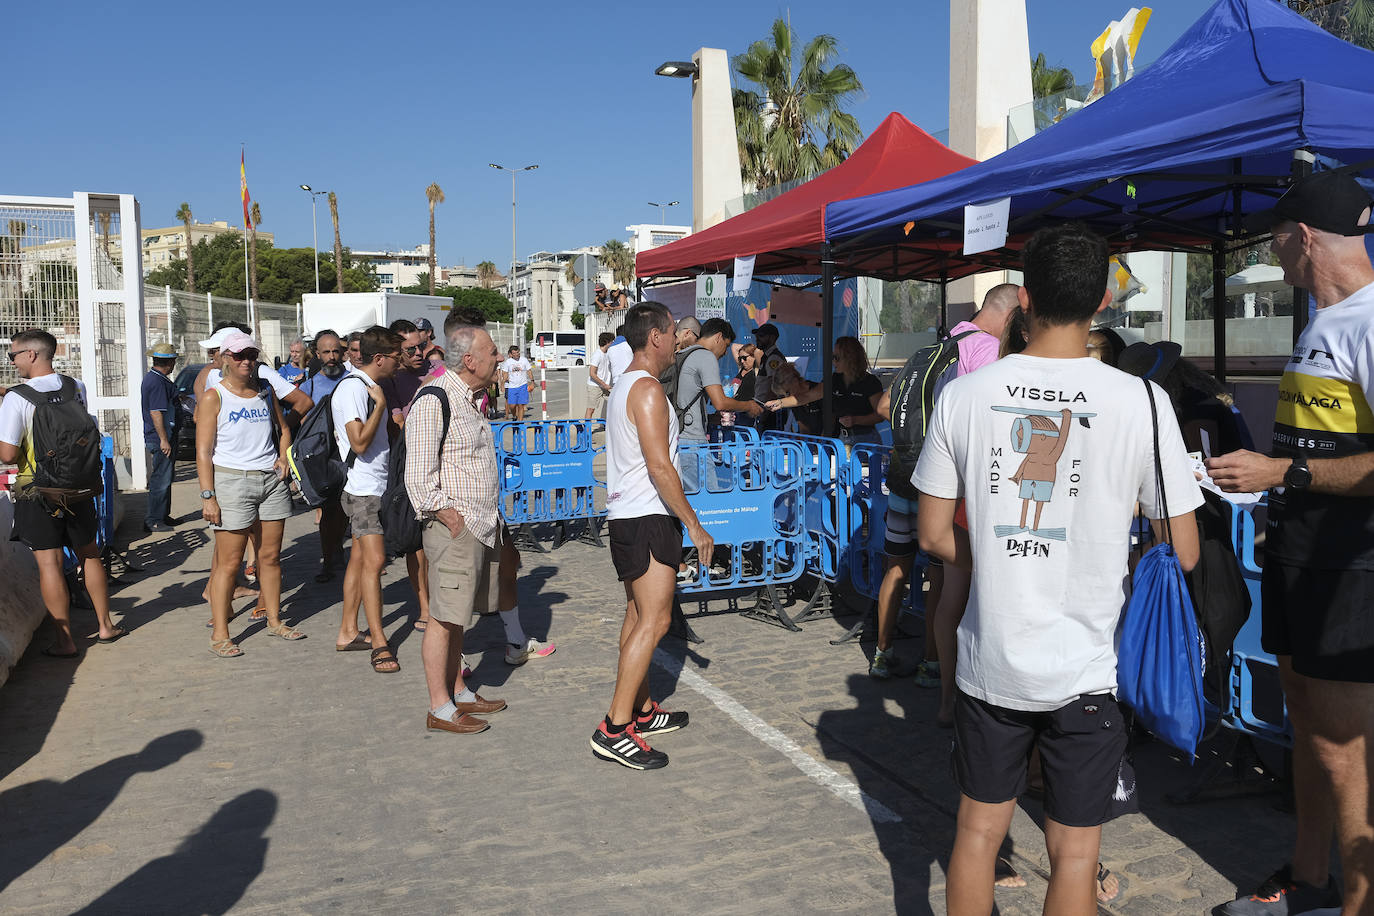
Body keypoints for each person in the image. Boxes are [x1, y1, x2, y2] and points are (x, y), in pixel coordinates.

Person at [915, 223, 1201, 916]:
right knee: (1075, 852)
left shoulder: (966, 394)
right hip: (1092, 666)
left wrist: (1007, 556)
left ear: (1025, 299)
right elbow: (1183, 551)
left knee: (979, 834)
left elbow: (932, 534)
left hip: (992, 658)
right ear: (1104, 298)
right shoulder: (1142, 401)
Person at [1208, 170, 1374, 916]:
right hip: (1301, 550)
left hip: (1354, 566)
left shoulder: (1369, 320)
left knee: (1345, 746)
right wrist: (1283, 493)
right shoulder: (1321, 319)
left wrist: (1283, 470)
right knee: (1301, 714)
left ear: (1303, 237)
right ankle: (1307, 880)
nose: (1272, 255)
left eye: (1275, 240)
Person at [590, 302, 708, 770]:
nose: (679, 341)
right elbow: (660, 467)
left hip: (630, 515)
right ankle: (615, 729)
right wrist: (694, 525)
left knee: (638, 614)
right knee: (655, 621)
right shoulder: (647, 390)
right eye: (674, 333)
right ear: (655, 337)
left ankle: (639, 709)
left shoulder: (627, 386)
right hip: (646, 516)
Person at [405, 324, 508, 735]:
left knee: (458, 618)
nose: (498, 358)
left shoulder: (470, 398)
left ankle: (459, 690)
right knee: (443, 620)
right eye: (493, 352)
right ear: (470, 360)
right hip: (454, 529)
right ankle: (439, 707)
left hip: (478, 526)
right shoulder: (434, 399)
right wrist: (448, 515)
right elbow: (418, 476)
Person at [0, 329, 126, 655]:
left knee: (50, 565)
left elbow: (8, 455)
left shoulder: (17, 398)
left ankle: (65, 641)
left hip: (37, 490)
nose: (11, 361)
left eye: (12, 355)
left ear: (31, 354)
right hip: (79, 486)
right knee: (90, 555)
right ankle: (105, 625)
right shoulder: (75, 386)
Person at [442, 307, 555, 668]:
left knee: (508, 565)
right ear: (464, 349)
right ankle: (452, 663)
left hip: (487, 509)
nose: (499, 358)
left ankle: (515, 642)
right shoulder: (439, 389)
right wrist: (442, 510)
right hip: (454, 515)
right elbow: (421, 466)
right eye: (490, 349)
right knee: (452, 591)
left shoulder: (475, 391)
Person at [196, 331, 306, 657]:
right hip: (231, 483)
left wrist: (283, 457)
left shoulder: (265, 390)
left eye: (251, 355)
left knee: (269, 558)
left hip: (270, 482)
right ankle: (220, 635)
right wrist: (207, 496)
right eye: (239, 355)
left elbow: (284, 430)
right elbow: (203, 451)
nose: (246, 361)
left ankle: (274, 621)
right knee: (229, 564)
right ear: (225, 358)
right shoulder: (213, 396)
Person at [332, 326, 404, 673]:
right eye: (396, 356)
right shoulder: (354, 389)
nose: (400, 363)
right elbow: (359, 442)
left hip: (374, 487)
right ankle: (379, 642)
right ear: (379, 358)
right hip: (362, 490)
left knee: (360, 563)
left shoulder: (365, 387)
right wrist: (380, 407)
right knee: (375, 564)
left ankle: (348, 631)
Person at [382, 319, 436, 632]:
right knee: (417, 544)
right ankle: (425, 607)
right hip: (406, 469)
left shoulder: (437, 371)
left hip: (442, 464)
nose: (418, 353)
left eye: (421, 346)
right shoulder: (390, 380)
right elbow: (397, 423)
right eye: (410, 349)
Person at [672, 318, 763, 491]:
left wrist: (709, 418)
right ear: (719, 337)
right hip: (692, 443)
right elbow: (720, 402)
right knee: (709, 502)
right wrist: (749, 406)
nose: (726, 352)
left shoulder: (681, 355)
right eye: (727, 345)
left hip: (676, 438)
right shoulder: (705, 356)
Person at [300, 330, 348, 583]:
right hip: (324, 461)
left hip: (352, 458)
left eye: (335, 351)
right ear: (317, 355)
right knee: (330, 514)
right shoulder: (308, 387)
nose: (331, 357)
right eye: (326, 352)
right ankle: (330, 560)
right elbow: (300, 423)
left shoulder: (354, 380)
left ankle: (356, 559)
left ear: (342, 353)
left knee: (352, 512)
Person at [140, 340, 179, 533]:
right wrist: (164, 439)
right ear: (170, 362)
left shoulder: (156, 379)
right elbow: (156, 412)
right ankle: (154, 519)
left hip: (164, 436)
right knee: (160, 479)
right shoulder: (156, 382)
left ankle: (162, 515)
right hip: (160, 438)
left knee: (165, 476)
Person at [764, 363, 822, 434]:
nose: (787, 398)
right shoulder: (793, 402)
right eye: (784, 396)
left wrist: (780, 403)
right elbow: (803, 430)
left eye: (787, 392)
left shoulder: (818, 391)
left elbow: (830, 424)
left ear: (794, 381)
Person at [751, 323, 787, 430]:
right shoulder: (767, 357)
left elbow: (774, 388)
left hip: (771, 413)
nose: (757, 338)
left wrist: (764, 413)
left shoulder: (774, 358)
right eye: (757, 336)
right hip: (766, 410)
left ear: (772, 338)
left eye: (761, 336)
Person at [585, 332, 615, 419]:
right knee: (591, 409)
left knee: (614, 403)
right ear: (607, 342)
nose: (613, 343)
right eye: (612, 341)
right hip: (595, 386)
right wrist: (604, 384)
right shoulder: (597, 355)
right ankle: (587, 430)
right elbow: (592, 373)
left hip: (605, 386)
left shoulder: (607, 354)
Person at [499, 345, 533, 421]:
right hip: (512, 386)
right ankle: (514, 415)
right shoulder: (508, 362)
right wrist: (502, 384)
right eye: (514, 353)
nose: (516, 354)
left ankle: (520, 422)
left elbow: (529, 371)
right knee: (512, 405)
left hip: (522, 385)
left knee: (521, 405)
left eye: (517, 352)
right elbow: (504, 374)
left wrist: (532, 381)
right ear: (511, 354)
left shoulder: (524, 360)